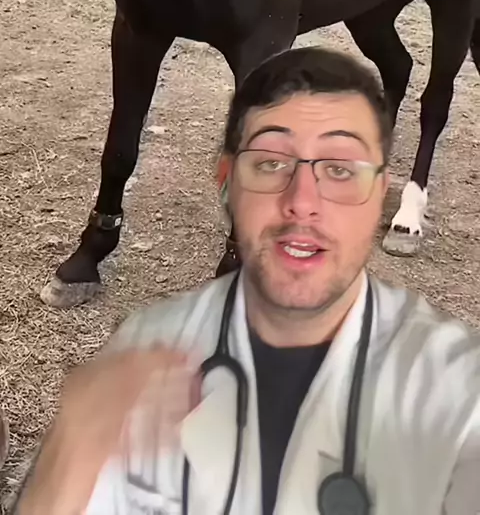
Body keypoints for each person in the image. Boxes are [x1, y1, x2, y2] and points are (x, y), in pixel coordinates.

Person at [14, 47, 480, 515]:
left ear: (380, 192)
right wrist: (69, 464)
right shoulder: (137, 358)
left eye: (340, 170)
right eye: (271, 164)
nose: (303, 203)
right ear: (226, 182)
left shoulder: (457, 389)